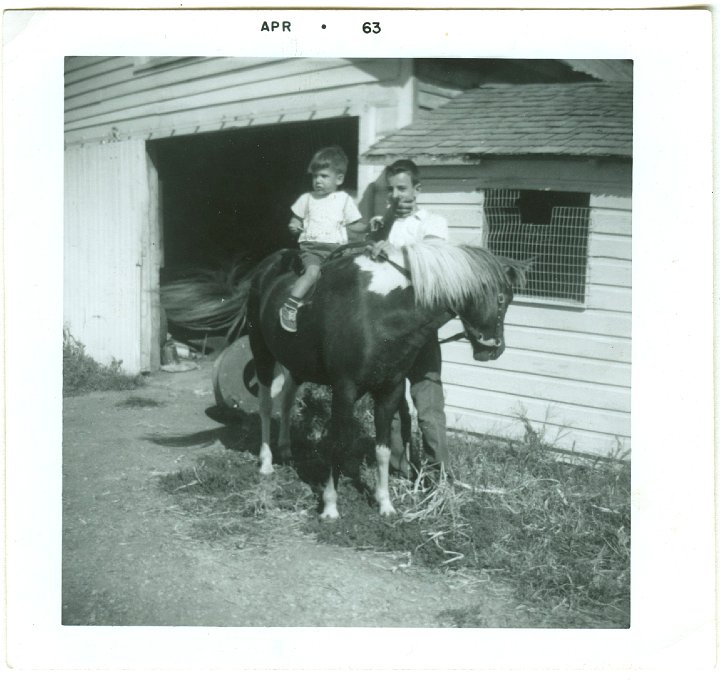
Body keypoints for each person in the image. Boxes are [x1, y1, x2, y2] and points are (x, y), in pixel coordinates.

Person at [370, 159, 450, 478]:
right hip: (387, 330)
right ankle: (400, 473)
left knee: (428, 407)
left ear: (418, 189)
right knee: (390, 407)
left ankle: (437, 478)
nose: (396, 195)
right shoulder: (384, 224)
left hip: (419, 330)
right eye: (390, 190)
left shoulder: (432, 222)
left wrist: (393, 251)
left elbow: (432, 258)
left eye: (402, 188)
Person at [280, 146, 365, 332]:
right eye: (315, 176)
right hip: (313, 249)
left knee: (353, 277)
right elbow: (295, 220)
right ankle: (289, 307)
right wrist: (293, 226)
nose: (318, 180)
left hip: (338, 250)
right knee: (312, 273)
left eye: (324, 176)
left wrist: (369, 227)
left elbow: (356, 225)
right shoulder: (307, 198)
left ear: (339, 179)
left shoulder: (344, 199)